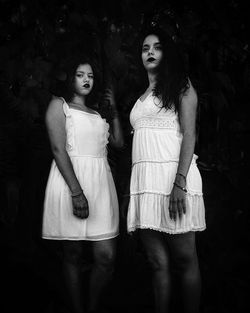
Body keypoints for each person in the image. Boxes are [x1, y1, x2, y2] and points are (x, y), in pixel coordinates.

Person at [125, 27, 206, 313]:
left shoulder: (180, 85)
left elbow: (190, 135)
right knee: (157, 262)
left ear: (166, 53)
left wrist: (179, 183)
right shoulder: (143, 94)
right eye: (145, 47)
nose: (149, 51)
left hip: (175, 179)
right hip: (147, 184)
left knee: (185, 259)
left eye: (156, 47)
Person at [42, 56, 124, 313]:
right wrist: (76, 192)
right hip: (70, 184)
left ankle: (92, 306)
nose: (87, 79)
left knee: (106, 257)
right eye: (80, 74)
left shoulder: (100, 113)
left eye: (90, 75)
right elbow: (58, 149)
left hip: (100, 186)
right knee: (73, 254)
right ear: (70, 78)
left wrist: (115, 110)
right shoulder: (59, 106)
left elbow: (119, 143)